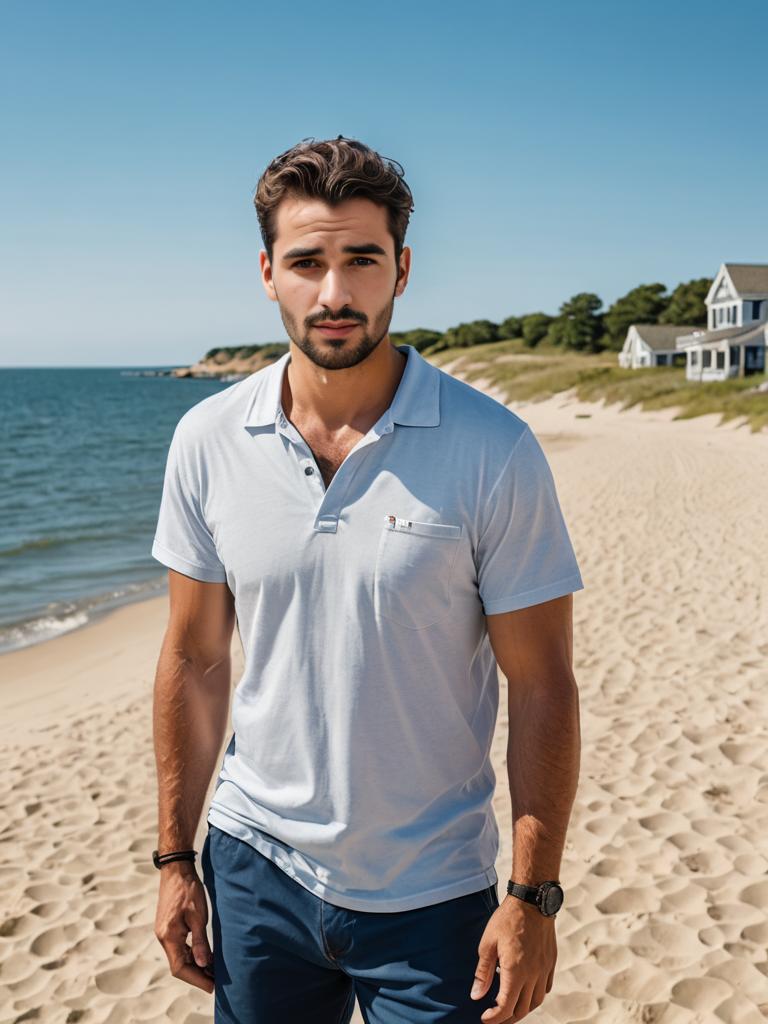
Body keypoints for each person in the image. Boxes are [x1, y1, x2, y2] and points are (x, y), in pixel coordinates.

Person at [150, 135, 584, 1024]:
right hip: (255, 868)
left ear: (403, 269)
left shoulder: (493, 450)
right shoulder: (206, 439)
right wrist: (173, 859)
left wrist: (534, 897)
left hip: (435, 892)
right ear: (269, 273)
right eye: (308, 262)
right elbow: (195, 659)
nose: (335, 293)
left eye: (362, 260)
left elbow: (542, 683)